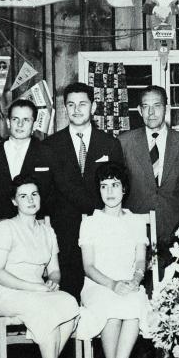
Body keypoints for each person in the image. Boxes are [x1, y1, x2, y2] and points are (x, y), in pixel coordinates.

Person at [0, 174, 79, 358]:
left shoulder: (47, 230)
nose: (30, 200)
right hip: (8, 292)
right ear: (14, 201)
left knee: (70, 304)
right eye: (23, 196)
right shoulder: (4, 228)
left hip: (39, 291)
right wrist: (34, 287)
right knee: (46, 311)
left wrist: (52, 281)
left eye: (34, 194)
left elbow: (55, 270)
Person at [76, 162, 150, 358]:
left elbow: (141, 259)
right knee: (111, 309)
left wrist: (136, 279)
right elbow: (88, 267)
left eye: (115, 185)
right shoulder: (90, 222)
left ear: (124, 189)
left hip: (129, 282)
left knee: (133, 307)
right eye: (104, 186)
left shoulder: (136, 221)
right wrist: (112, 284)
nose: (109, 192)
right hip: (99, 284)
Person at [43, 82, 124, 298]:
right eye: (71, 105)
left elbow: (119, 186)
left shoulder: (110, 144)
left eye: (82, 104)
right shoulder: (51, 145)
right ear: (65, 108)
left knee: (101, 291)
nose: (77, 110)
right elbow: (48, 190)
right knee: (67, 293)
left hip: (101, 229)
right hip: (64, 229)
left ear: (93, 107)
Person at [118, 85, 179, 272]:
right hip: (136, 230)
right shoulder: (124, 142)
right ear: (139, 110)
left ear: (166, 108)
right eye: (146, 106)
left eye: (157, 106)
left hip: (175, 230)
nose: (151, 112)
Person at [0, 99, 55, 220]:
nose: (20, 124)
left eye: (26, 120)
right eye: (15, 119)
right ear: (8, 123)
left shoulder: (48, 154)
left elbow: (52, 195)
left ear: (34, 124)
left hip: (36, 227)